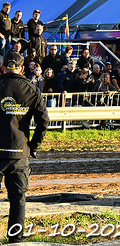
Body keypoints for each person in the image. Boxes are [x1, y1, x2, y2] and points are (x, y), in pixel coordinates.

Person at [0, 53, 49, 242]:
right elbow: (43, 122)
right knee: (18, 200)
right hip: (20, 152)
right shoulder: (31, 89)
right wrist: (33, 147)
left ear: (3, 68)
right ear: (22, 69)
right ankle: (15, 241)